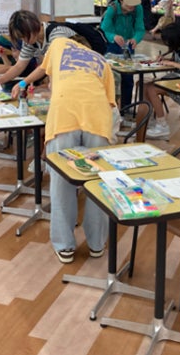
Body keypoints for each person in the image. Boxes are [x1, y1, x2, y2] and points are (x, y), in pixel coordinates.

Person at [40, 35, 116, 263]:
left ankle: (64, 246)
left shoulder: (58, 43)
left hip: (64, 113)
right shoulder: (102, 61)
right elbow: (110, 103)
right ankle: (96, 244)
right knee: (97, 181)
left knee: (61, 181)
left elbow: (52, 85)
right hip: (98, 117)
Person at [0, 10, 78, 89]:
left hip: (78, 71)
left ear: (33, 27)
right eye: (21, 37)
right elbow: (19, 66)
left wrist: (23, 83)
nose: (24, 41)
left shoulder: (57, 35)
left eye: (24, 36)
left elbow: (45, 66)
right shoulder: (31, 39)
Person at [144, 22, 180, 140]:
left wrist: (172, 63)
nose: (166, 43)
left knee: (151, 89)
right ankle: (150, 120)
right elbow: (179, 62)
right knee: (146, 86)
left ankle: (162, 125)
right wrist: (166, 59)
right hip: (178, 81)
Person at [100, 0, 145, 108]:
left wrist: (136, 39)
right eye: (129, 3)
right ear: (121, 0)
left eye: (134, 4)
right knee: (112, 77)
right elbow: (104, 29)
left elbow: (140, 28)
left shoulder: (138, 9)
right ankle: (110, 107)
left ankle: (126, 107)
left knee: (128, 77)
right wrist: (114, 36)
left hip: (128, 46)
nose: (132, 6)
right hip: (112, 46)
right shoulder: (112, 9)